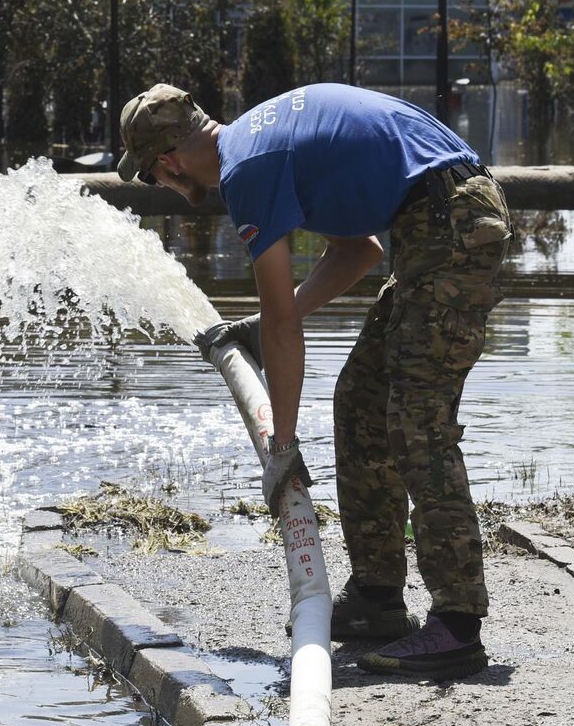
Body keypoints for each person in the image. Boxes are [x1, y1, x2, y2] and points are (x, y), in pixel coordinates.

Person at [116, 81, 510, 680]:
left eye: (152, 176)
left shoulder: (247, 169)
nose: (162, 186)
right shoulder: (257, 143)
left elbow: (280, 324)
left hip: (448, 221)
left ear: (167, 162)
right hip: (434, 217)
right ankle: (378, 598)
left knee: (416, 422)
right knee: (361, 400)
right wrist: (278, 318)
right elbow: (359, 253)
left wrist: (282, 446)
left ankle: (457, 628)